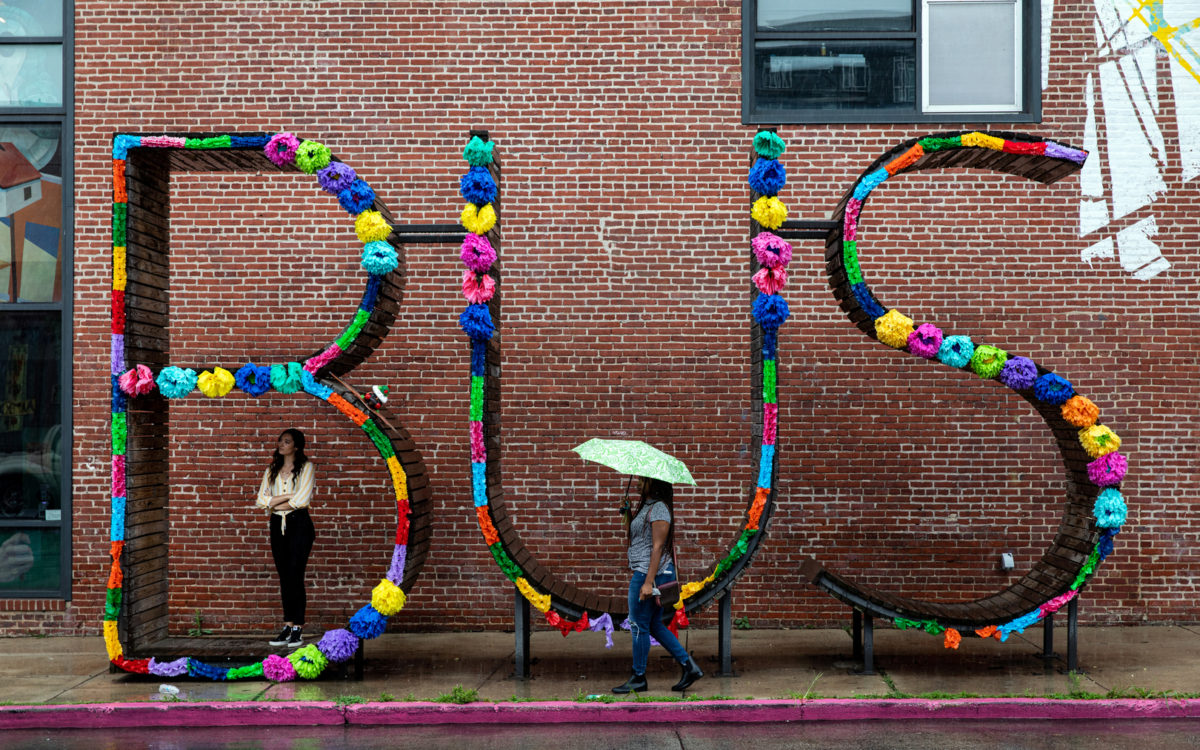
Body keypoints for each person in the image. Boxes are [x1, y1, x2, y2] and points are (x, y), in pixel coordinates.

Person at [613, 476, 704, 694]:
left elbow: (657, 547)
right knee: (652, 624)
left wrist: (646, 583)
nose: (637, 483)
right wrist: (627, 514)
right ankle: (689, 666)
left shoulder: (660, 509)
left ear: (653, 484)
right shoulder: (646, 506)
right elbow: (636, 538)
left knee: (638, 625)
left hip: (650, 574)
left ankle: (638, 677)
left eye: (642, 480)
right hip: (646, 571)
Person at [256, 428, 315, 648]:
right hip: (276, 525)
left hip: (298, 524)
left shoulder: (306, 467)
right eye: (280, 441)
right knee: (284, 576)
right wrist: (288, 496)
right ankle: (288, 625)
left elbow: (302, 500)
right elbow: (261, 500)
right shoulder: (272, 469)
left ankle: (298, 627)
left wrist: (275, 501)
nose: (281, 444)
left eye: (287, 441)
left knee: (295, 574)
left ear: (296, 446)